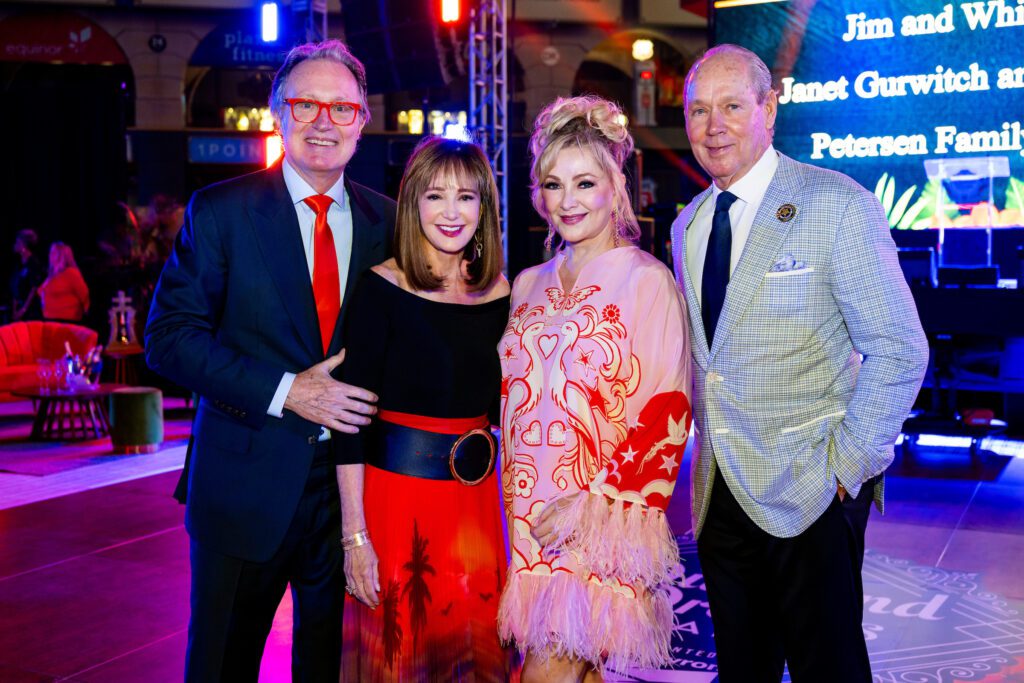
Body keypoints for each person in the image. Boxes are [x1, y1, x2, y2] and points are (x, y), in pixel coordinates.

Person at [669, 44, 929, 682]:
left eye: (732, 106)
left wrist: (846, 468)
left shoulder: (836, 203)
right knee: (743, 670)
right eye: (698, 111)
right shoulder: (687, 226)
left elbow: (901, 348)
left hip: (814, 488)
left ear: (769, 109)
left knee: (828, 670)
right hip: (718, 494)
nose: (713, 126)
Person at [145, 39, 396, 682]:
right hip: (244, 486)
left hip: (352, 498)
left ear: (363, 121)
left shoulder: (387, 221)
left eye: (342, 108)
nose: (323, 121)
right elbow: (170, 337)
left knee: (333, 670)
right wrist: (287, 390)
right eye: (305, 104)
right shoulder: (222, 211)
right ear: (276, 114)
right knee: (223, 665)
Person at [498, 95, 693, 681]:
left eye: (585, 183)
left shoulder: (648, 281)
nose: (568, 201)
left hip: (598, 522)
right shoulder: (526, 283)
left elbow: (668, 411)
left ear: (616, 188)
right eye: (554, 185)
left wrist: (590, 508)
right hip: (525, 517)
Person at [334, 136, 511, 681]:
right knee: (401, 657)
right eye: (436, 196)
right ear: (412, 203)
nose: (452, 212)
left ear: (485, 208)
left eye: (467, 197)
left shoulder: (501, 291)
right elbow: (348, 423)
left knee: (473, 657)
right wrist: (355, 536)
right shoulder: (380, 288)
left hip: (478, 509)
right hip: (396, 506)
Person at [39, 242, 90, 323]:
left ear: (61, 255)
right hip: (50, 319)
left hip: (66, 320)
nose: (49, 256)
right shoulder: (51, 275)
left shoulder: (71, 273)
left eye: (53, 253)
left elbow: (84, 295)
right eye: (50, 253)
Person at [10, 229, 44, 321]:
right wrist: (15, 310)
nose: (14, 244)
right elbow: (15, 288)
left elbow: (34, 288)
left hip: (30, 311)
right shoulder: (18, 263)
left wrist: (23, 310)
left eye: (17, 242)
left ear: (23, 245)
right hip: (19, 308)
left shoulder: (33, 263)